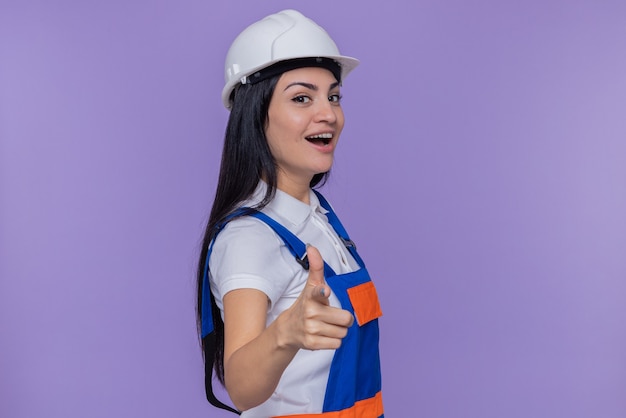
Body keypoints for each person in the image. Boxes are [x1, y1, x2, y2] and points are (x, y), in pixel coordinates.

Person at [196, 9, 383, 417]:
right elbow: (242, 389)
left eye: (333, 96)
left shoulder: (319, 218)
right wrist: (287, 332)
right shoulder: (249, 238)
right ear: (254, 116)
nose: (329, 114)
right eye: (302, 98)